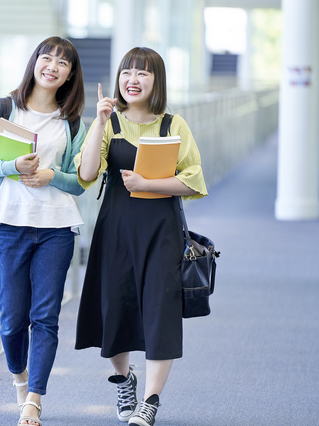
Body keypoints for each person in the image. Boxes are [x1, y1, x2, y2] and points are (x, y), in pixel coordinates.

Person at [74, 47, 208, 426]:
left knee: (160, 311)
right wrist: (98, 121)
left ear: (156, 81)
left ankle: (149, 401)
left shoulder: (173, 125)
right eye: (127, 72)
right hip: (116, 230)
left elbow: (195, 179)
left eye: (143, 73)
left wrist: (149, 183)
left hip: (161, 232)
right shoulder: (110, 122)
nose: (133, 80)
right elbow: (85, 174)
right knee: (116, 307)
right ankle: (123, 380)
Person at [0, 36, 86, 426]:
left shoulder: (71, 122)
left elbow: (80, 181)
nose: (52, 66)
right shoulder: (5, 109)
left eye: (63, 62)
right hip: (10, 225)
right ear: (35, 62)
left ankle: (34, 399)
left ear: (71, 74)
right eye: (47, 57)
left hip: (55, 228)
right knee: (12, 319)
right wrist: (12, 167)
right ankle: (20, 379)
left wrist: (53, 175)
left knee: (46, 317)